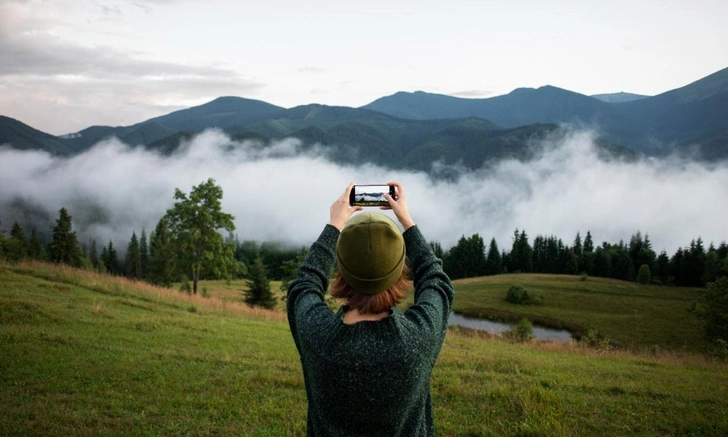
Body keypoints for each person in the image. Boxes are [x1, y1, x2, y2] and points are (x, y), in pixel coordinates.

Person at [286, 181, 454, 436]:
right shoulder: (419, 338)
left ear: (340, 272)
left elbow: (304, 285)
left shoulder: (317, 335)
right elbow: (436, 281)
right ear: (400, 271)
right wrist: (407, 221)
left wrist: (334, 225)